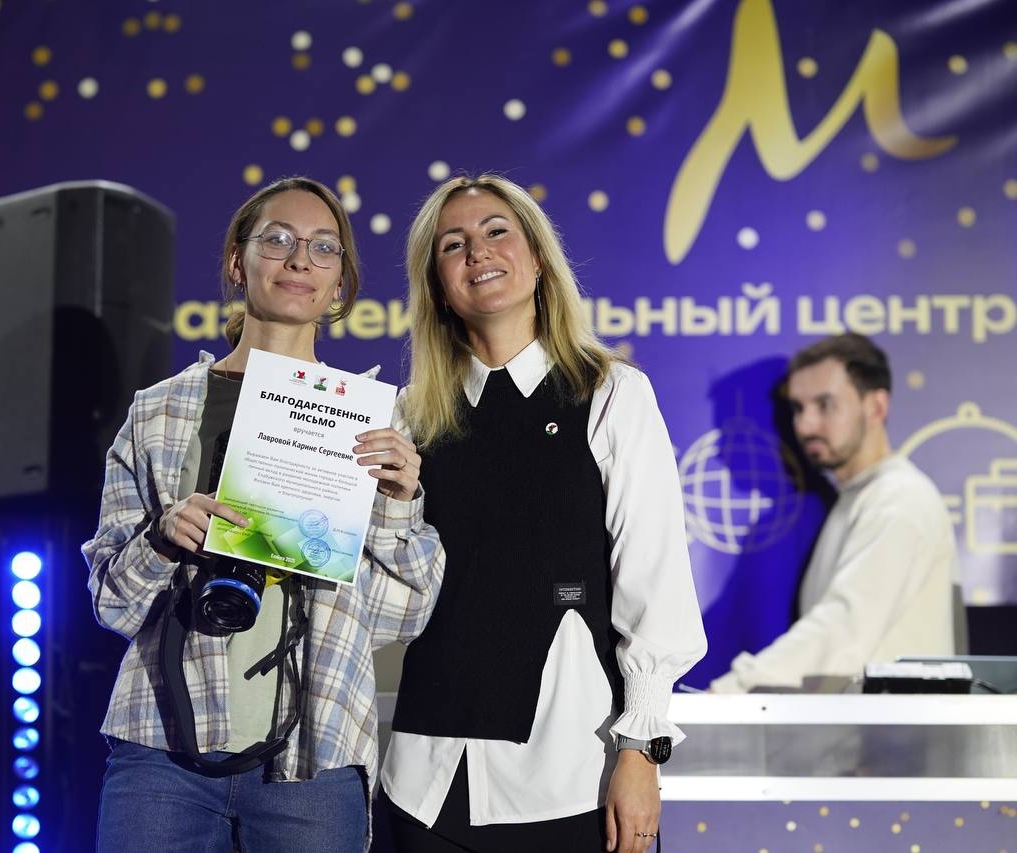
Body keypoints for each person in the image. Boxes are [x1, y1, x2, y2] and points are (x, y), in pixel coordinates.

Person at [83, 176, 445, 852]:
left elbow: (401, 619)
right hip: (161, 749)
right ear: (236, 261)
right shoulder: (159, 411)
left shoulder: (372, 423)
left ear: (340, 284)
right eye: (277, 240)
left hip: (312, 758)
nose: (300, 259)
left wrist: (399, 506)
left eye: (324, 247)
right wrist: (161, 541)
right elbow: (111, 603)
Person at [380, 174, 707, 853]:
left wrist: (642, 749)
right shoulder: (407, 417)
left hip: (570, 775)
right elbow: (382, 596)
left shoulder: (611, 392)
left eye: (497, 231)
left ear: (537, 256)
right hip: (423, 779)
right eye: (453, 244)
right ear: (436, 285)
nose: (478, 251)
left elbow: (655, 581)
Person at [709, 333, 961, 693]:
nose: (805, 425)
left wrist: (731, 691)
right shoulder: (857, 500)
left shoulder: (899, 498)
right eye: (798, 408)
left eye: (825, 405)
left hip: (897, 729)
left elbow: (843, 628)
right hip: (868, 725)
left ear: (876, 407)